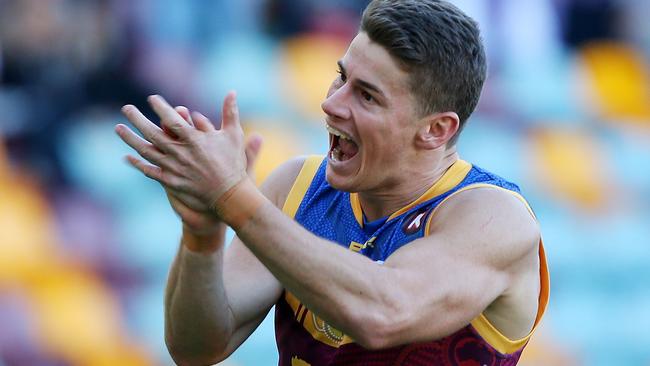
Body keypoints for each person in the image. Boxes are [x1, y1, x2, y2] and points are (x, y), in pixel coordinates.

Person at [115, 0, 549, 365]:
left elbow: (384, 311)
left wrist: (232, 197)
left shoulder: (492, 218)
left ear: (436, 129)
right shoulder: (297, 186)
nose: (330, 103)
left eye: (367, 95)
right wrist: (203, 234)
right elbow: (197, 348)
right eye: (341, 76)